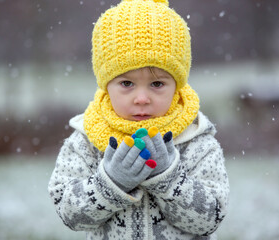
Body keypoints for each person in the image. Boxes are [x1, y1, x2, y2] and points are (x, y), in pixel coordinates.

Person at [48, 0, 229, 239]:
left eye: (157, 84)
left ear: (177, 85)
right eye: (126, 83)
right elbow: (69, 214)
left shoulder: (196, 140)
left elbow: (210, 219)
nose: (142, 98)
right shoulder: (86, 140)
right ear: (105, 85)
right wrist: (111, 182)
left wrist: (168, 177)